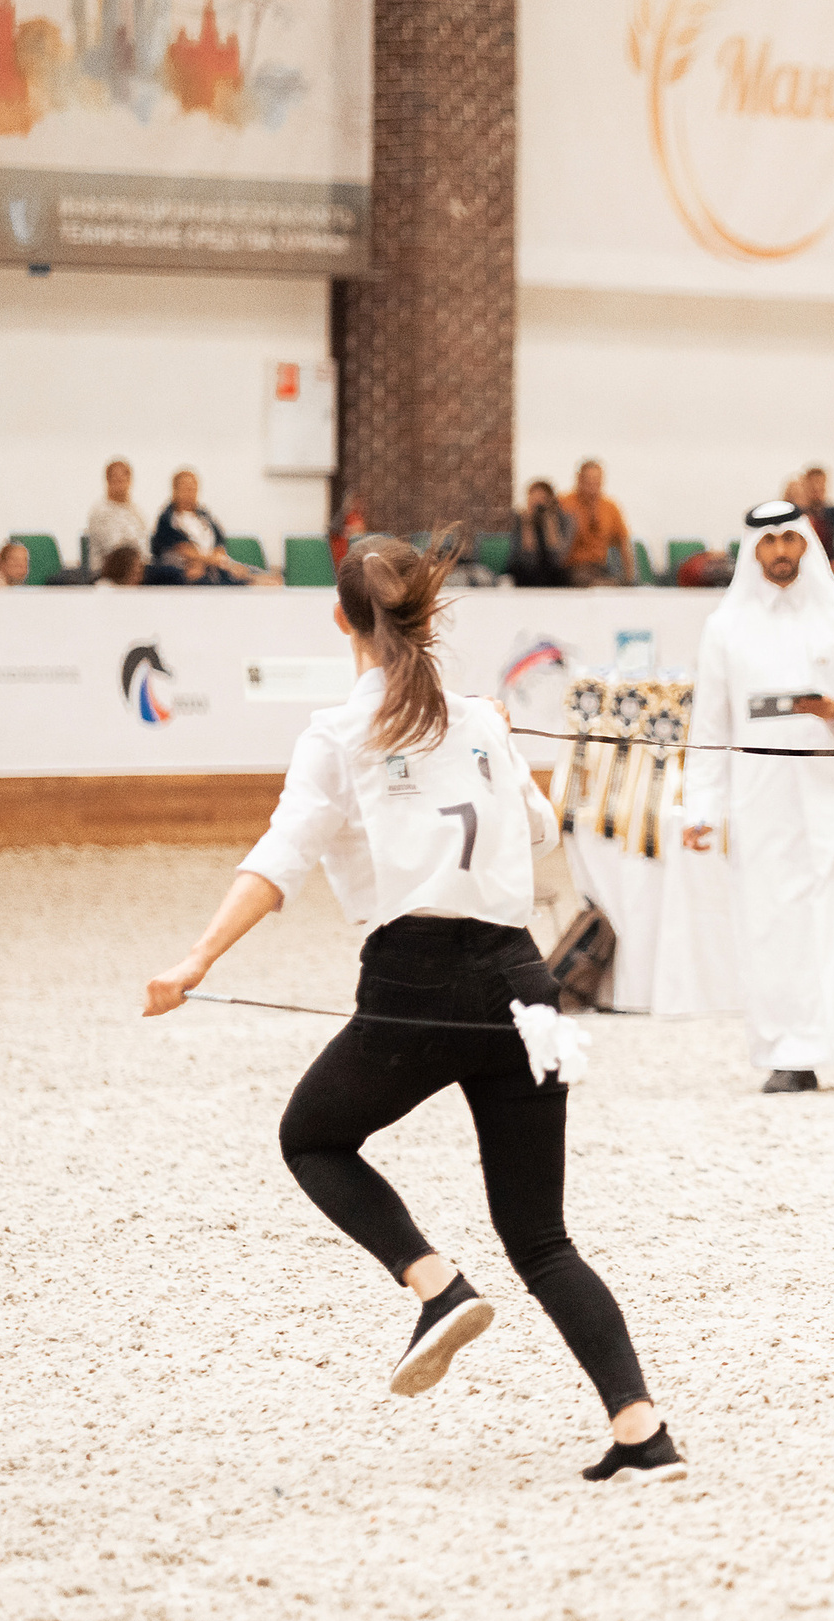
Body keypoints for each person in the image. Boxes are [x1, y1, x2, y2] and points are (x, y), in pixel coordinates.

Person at [139, 531, 686, 1486]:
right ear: (425, 617)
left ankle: (435, 1285)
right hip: (523, 983)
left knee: (310, 1136)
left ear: (342, 620)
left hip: (417, 980)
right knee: (544, 1238)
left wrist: (193, 959)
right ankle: (643, 1429)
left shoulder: (339, 731)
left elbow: (280, 863)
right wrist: (501, 743)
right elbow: (543, 830)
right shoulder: (478, 716)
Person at [680, 499, 834, 1094]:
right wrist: (701, 808)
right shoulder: (724, 628)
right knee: (777, 926)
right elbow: (710, 727)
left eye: (790, 541)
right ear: (753, 551)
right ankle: (791, 1052)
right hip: (764, 801)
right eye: (768, 543)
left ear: (807, 545)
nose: (780, 552)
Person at [149, 469, 276, 586]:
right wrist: (215, 562)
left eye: (193, 488)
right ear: (175, 490)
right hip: (188, 565)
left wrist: (220, 561)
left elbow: (219, 544)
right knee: (199, 574)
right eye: (185, 488)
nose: (190, 492)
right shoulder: (167, 518)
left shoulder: (204, 516)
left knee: (263, 577)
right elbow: (180, 548)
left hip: (215, 563)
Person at [561, 460, 631, 587]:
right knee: (585, 580)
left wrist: (629, 577)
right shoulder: (565, 503)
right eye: (589, 480)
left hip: (600, 567)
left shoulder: (610, 507)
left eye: (596, 480)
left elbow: (623, 542)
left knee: (616, 582)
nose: (593, 485)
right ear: (579, 479)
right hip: (572, 568)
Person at [509, 479, 576, 589]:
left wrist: (550, 524)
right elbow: (526, 559)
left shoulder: (565, 520)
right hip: (526, 571)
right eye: (533, 499)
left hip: (552, 572)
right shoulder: (520, 519)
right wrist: (528, 525)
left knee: (561, 575)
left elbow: (558, 558)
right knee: (525, 573)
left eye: (542, 499)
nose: (538, 504)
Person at [86, 459, 147, 576]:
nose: (121, 485)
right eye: (117, 480)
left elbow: (144, 545)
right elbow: (115, 549)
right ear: (108, 481)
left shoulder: (136, 511)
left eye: (124, 480)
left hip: (137, 568)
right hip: (109, 571)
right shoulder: (100, 512)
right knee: (171, 575)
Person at [798, 466, 834, 565]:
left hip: (830, 564)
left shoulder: (833, 513)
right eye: (813, 488)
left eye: (820, 487)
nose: (817, 491)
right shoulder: (798, 514)